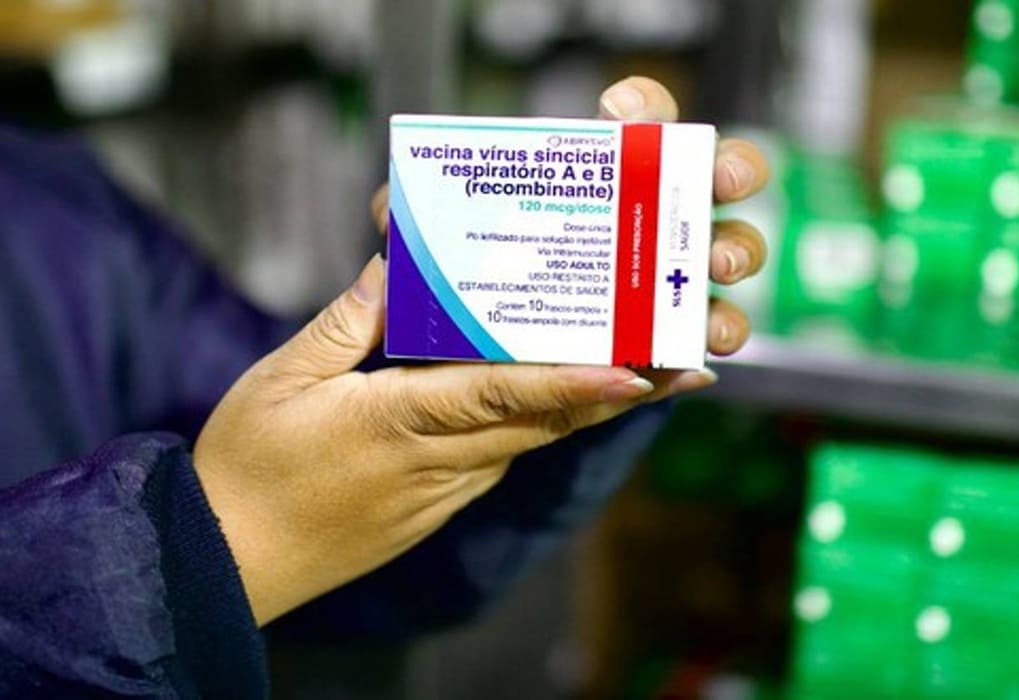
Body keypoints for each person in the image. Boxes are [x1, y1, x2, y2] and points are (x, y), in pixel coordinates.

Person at [0, 77, 770, 698]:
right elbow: (258, 503)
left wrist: (552, 346)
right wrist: (211, 546)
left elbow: (324, 469)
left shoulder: (52, 209)